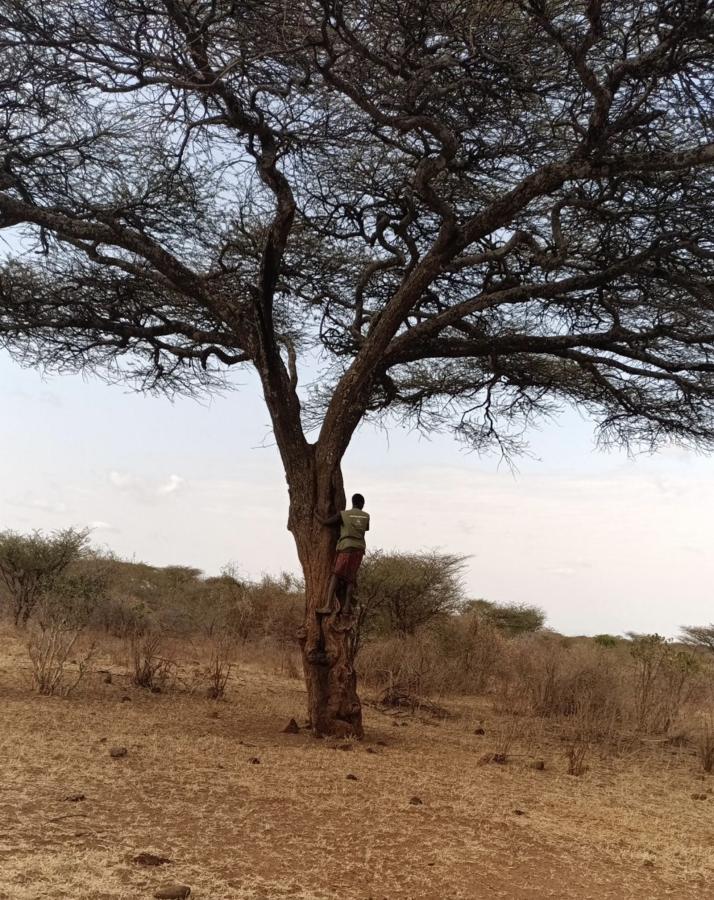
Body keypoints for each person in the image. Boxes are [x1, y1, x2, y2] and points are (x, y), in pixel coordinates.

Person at [315, 493, 369, 618]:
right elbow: (364, 529)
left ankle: (328, 606)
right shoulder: (366, 516)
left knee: (336, 575)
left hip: (346, 548)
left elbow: (326, 523)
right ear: (361, 504)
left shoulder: (343, 514)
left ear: (353, 502)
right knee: (350, 578)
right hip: (359, 549)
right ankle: (346, 609)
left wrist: (316, 514)